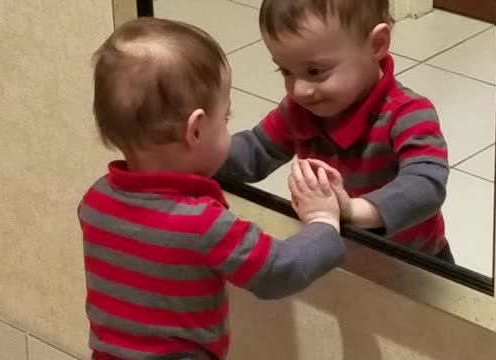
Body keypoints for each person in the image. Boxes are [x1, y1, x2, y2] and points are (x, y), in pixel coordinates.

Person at [78, 17, 345, 360]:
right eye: (226, 117)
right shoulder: (203, 223)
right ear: (197, 130)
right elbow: (278, 271)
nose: (229, 127)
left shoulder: (95, 201)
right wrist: (323, 223)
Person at [218, 0, 453, 262]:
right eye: (286, 71)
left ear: (376, 45)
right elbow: (256, 151)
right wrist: (205, 152)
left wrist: (351, 211)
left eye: (315, 71)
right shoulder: (299, 110)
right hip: (339, 257)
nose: (299, 90)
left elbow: (426, 185)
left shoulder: (407, 114)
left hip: (414, 265)